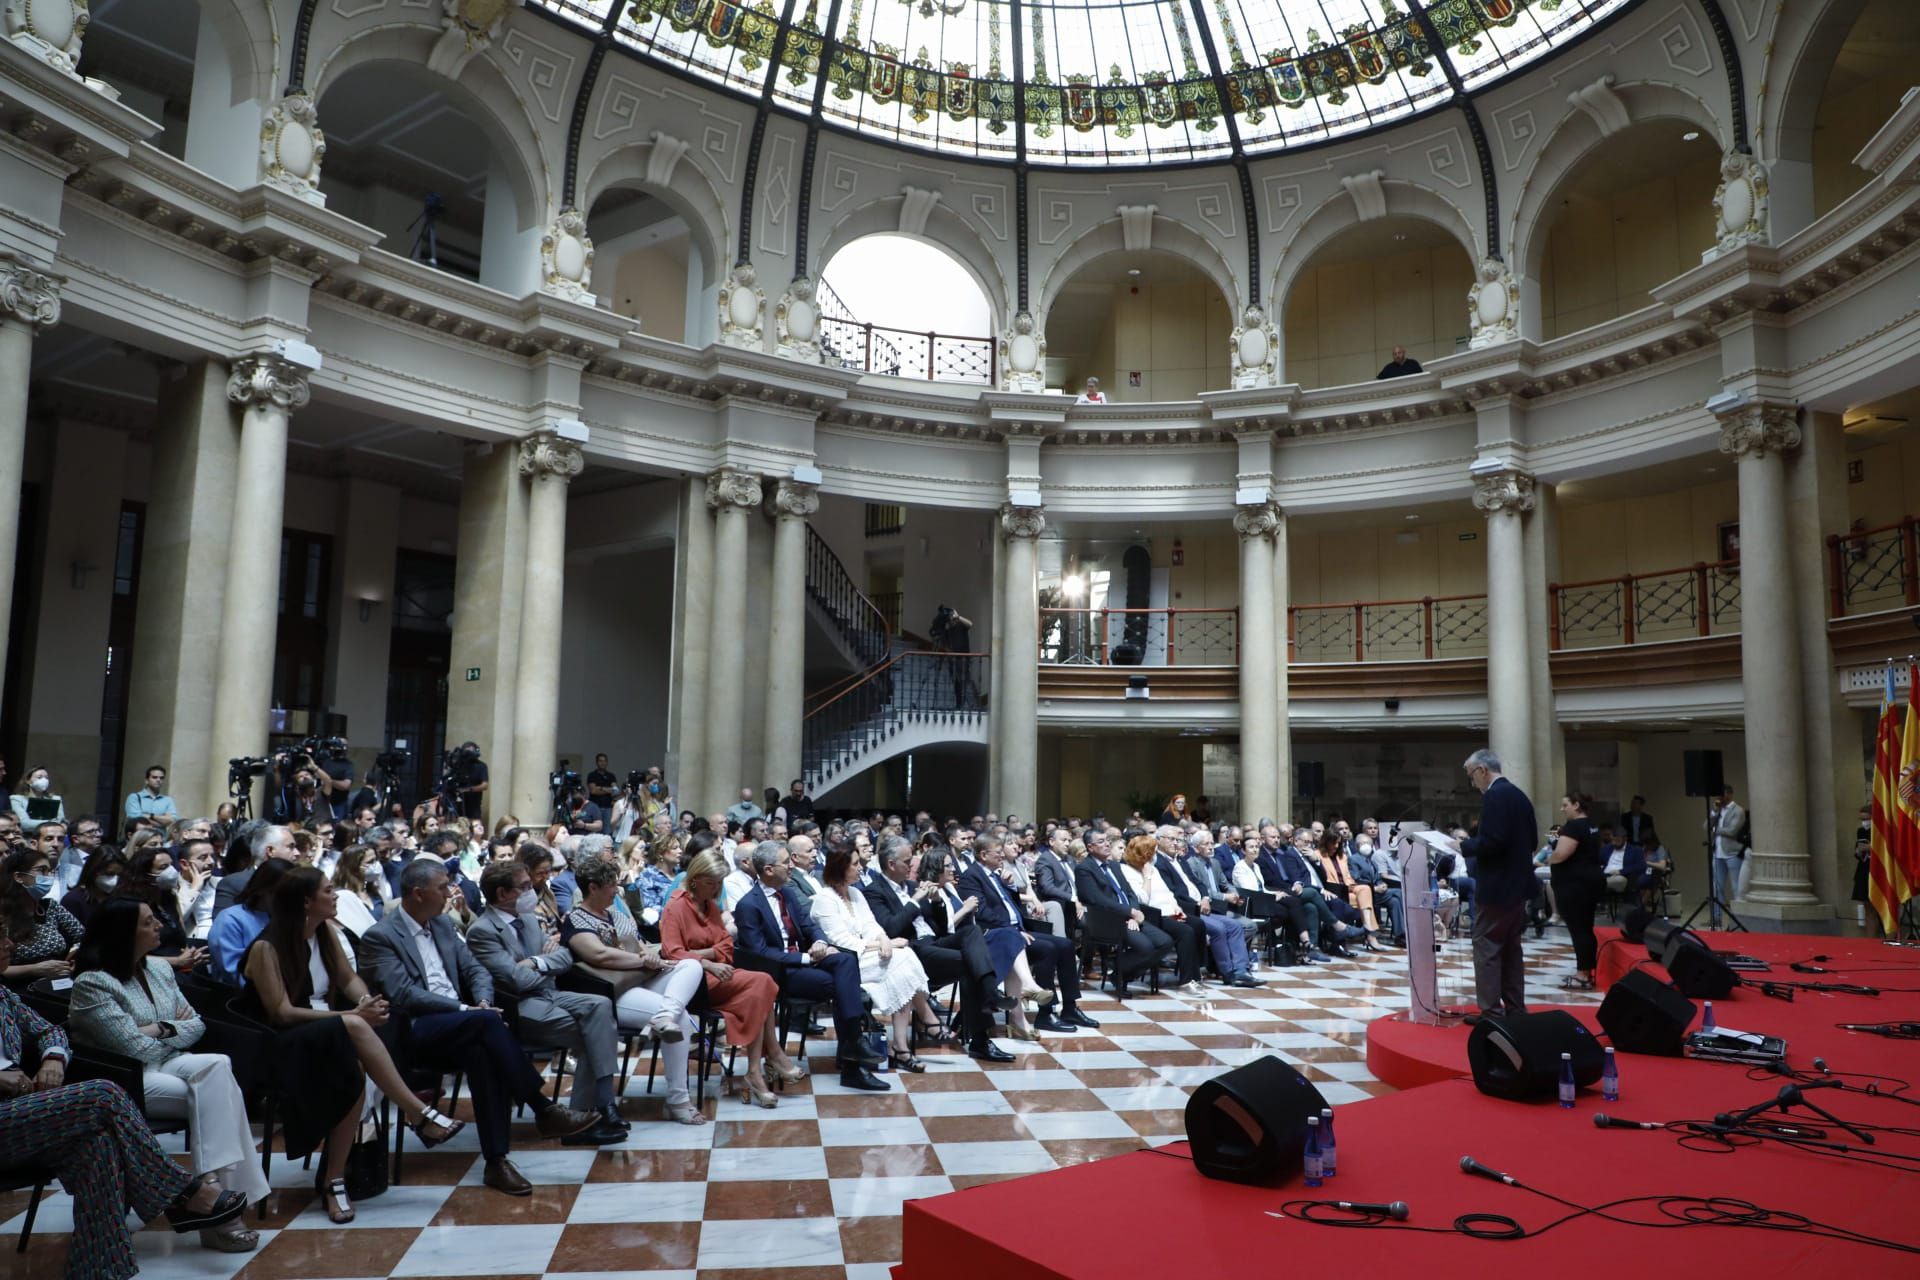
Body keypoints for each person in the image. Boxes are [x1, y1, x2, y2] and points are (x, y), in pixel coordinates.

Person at [0, 930, 253, 1280]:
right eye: (0, 937)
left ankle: (100, 1269)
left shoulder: (2, 994)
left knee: (97, 1146)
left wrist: (53, 1058)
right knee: (104, 1093)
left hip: (23, 1113)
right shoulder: (95, 982)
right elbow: (130, 1043)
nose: (11, 945)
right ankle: (182, 1191)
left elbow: (49, 1031)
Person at [358, 860, 606, 1195]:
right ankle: (543, 1108)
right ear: (418, 894)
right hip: (413, 1030)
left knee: (483, 1054)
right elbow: (403, 994)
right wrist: (467, 1009)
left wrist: (484, 1003)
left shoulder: (443, 925)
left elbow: (477, 971)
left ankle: (497, 1162)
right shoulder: (382, 936)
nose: (452, 892)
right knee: (486, 1027)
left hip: (465, 1024)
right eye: (443, 886)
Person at [242, 866, 470, 1222]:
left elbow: (349, 980)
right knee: (355, 1027)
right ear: (306, 901)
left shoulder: (325, 933)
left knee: (357, 1068)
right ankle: (416, 1111)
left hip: (331, 1032)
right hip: (284, 1042)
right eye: (328, 891)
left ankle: (335, 1180)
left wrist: (367, 1003)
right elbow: (282, 1012)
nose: (337, 896)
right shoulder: (265, 947)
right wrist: (351, 1017)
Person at [68, 899, 266, 1252]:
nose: (159, 925)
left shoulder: (159, 968)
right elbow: (131, 1048)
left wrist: (155, 1028)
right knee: (216, 1093)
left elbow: (197, 1024)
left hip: (168, 1060)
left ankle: (212, 1195)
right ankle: (221, 1209)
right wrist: (167, 1030)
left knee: (219, 1065)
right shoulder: (92, 983)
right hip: (123, 1077)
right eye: (148, 922)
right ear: (124, 933)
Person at [562, 851, 730, 1126]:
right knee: (683, 1021)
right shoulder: (576, 919)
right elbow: (600, 956)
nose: (616, 890)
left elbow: (638, 943)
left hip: (639, 977)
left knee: (692, 966)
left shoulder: (615, 914)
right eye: (610, 886)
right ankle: (678, 1101)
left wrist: (651, 958)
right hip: (611, 992)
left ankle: (663, 1016)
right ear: (592, 888)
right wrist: (643, 960)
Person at [464, 860, 625, 1140]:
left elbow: (565, 956)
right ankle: (594, 1111)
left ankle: (591, 1110)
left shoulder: (527, 919)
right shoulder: (482, 931)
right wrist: (545, 965)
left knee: (601, 1005)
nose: (533, 891)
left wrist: (536, 962)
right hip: (520, 1007)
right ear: (503, 894)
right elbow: (518, 981)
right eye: (525, 887)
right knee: (596, 1032)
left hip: (551, 994)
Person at [731, 841, 890, 1091]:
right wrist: (806, 958)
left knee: (846, 959)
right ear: (769, 869)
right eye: (786, 863)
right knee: (842, 986)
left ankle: (853, 1046)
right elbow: (760, 954)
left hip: (805, 960)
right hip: (779, 973)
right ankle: (853, 1061)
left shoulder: (788, 894)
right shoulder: (748, 905)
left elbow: (810, 926)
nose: (791, 867)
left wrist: (818, 941)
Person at [659, 849, 787, 1108]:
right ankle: (769, 1057)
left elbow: (727, 946)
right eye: (711, 882)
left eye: (720, 883)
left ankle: (756, 1071)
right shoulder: (676, 907)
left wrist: (701, 954)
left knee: (763, 986)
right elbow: (672, 953)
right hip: (692, 984)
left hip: (719, 974)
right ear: (695, 879)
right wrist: (706, 960)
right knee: (763, 984)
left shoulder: (710, 906)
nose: (717, 889)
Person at [863, 836, 1005, 1061]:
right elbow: (891, 929)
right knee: (971, 966)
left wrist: (937, 902)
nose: (912, 865)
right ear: (891, 864)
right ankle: (981, 1038)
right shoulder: (874, 891)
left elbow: (940, 928)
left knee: (972, 932)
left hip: (933, 943)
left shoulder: (910, 885)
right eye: (907, 861)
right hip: (911, 953)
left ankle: (988, 993)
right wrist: (915, 900)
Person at [811, 844, 938, 1073]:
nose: (861, 868)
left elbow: (872, 925)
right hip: (845, 961)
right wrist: (880, 944)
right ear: (841, 868)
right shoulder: (825, 898)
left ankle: (901, 1045)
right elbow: (841, 941)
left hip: (866, 953)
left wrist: (885, 940)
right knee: (904, 959)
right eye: (855, 864)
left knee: (903, 960)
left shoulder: (856, 893)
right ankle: (916, 1030)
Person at [963, 835, 1097, 1029]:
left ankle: (1070, 1007)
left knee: (1066, 945)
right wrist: (1012, 931)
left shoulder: (997, 874)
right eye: (998, 853)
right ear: (983, 855)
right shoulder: (971, 876)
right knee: (1048, 949)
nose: (1002, 856)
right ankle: (1046, 1013)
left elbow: (1011, 906)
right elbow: (983, 914)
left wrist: (1009, 886)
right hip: (997, 935)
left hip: (1016, 929)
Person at [1459, 749, 1536, 1018]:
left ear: (1482, 770)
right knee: (1512, 949)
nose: (1473, 783)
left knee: (1487, 946)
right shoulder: (1519, 795)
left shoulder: (1494, 795)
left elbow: (1493, 842)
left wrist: (1463, 845)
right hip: (1519, 886)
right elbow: (1533, 841)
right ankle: (1516, 1009)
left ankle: (1491, 1011)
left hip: (1497, 887)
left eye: (1472, 776)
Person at [1546, 795, 1606, 991]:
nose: (1562, 809)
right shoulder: (1591, 825)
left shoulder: (1573, 827)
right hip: (1589, 882)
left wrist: (1550, 859)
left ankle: (1582, 974)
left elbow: (1562, 853)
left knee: (1579, 930)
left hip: (1574, 886)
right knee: (1585, 928)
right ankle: (1587, 971)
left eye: (1565, 805)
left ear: (1577, 805)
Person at [207, 857, 290, 985]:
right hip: (241, 996)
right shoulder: (230, 920)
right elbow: (235, 974)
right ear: (263, 889)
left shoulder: (286, 918)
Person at [61, 844, 127, 930]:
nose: (115, 879)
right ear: (93, 871)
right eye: (109, 874)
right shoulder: (73, 900)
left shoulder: (123, 899)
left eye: (120, 875)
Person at [1707, 784, 1745, 927]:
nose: (1719, 798)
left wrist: (1715, 829)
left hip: (1732, 854)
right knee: (1717, 888)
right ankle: (1716, 919)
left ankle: (1737, 922)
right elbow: (1706, 826)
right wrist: (1714, 812)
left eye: (1721, 795)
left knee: (1736, 889)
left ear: (1729, 794)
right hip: (1717, 854)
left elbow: (1732, 831)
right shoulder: (1718, 811)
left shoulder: (1738, 810)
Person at [121, 765, 179, 836]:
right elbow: (136, 820)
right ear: (146, 780)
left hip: (160, 841)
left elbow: (172, 820)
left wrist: (151, 816)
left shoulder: (167, 800)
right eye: (154, 777)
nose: (158, 780)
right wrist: (163, 822)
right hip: (139, 840)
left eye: (161, 778)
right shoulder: (134, 797)